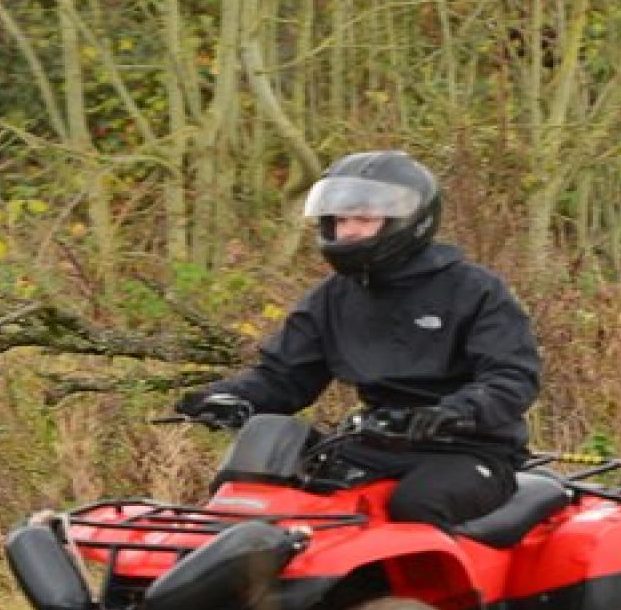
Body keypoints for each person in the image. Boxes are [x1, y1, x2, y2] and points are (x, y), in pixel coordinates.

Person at [176, 149, 542, 530]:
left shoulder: (474, 290)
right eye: (340, 220)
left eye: (364, 219)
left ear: (409, 221)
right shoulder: (332, 297)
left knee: (418, 506)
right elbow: (285, 376)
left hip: (468, 449)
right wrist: (227, 396)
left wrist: (453, 413)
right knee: (265, 483)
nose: (348, 231)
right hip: (375, 441)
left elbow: (512, 378)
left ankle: (423, 592)